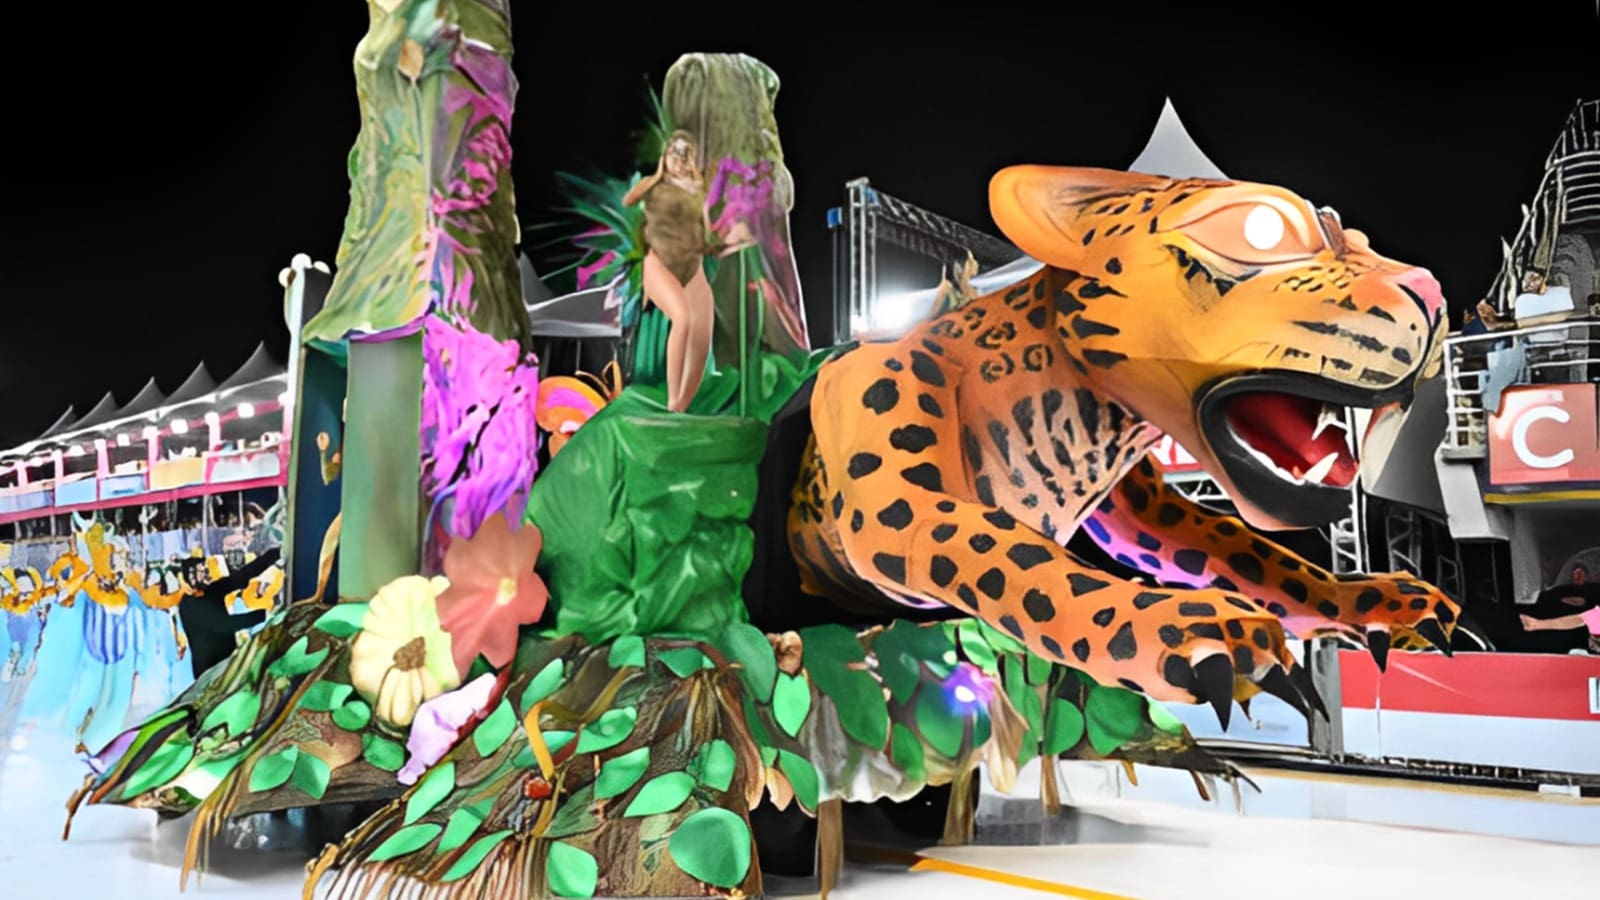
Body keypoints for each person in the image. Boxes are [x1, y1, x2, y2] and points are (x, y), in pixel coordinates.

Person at [623, 131, 750, 413]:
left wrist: (733, 240)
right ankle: (672, 399)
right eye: (674, 153)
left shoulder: (698, 192)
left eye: (685, 154)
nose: (679, 160)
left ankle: (680, 405)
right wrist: (657, 177)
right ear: (666, 156)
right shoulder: (655, 185)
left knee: (702, 335)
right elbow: (628, 201)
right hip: (660, 261)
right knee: (682, 318)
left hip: (692, 264)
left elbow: (707, 233)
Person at [177, 546, 281, 677]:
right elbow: (228, 624)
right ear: (193, 582)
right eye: (203, 572)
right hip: (211, 673)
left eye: (205, 569)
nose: (208, 573)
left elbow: (241, 577)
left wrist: (273, 555)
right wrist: (265, 614)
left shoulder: (209, 591)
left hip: (225, 661)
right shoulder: (193, 607)